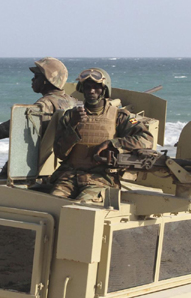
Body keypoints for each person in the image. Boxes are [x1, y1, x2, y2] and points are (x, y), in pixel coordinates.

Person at [49, 68, 154, 201]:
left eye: (96, 87)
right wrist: (73, 126)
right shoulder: (70, 116)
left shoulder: (119, 116)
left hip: (101, 179)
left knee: (84, 206)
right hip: (69, 176)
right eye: (87, 87)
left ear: (105, 90)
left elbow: (146, 139)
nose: (91, 91)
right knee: (54, 202)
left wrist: (113, 144)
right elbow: (60, 153)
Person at [0, 57, 77, 141]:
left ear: (46, 80)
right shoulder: (73, 101)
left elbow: (13, 127)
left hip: (39, 162)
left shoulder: (44, 104)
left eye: (36, 77)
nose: (32, 80)